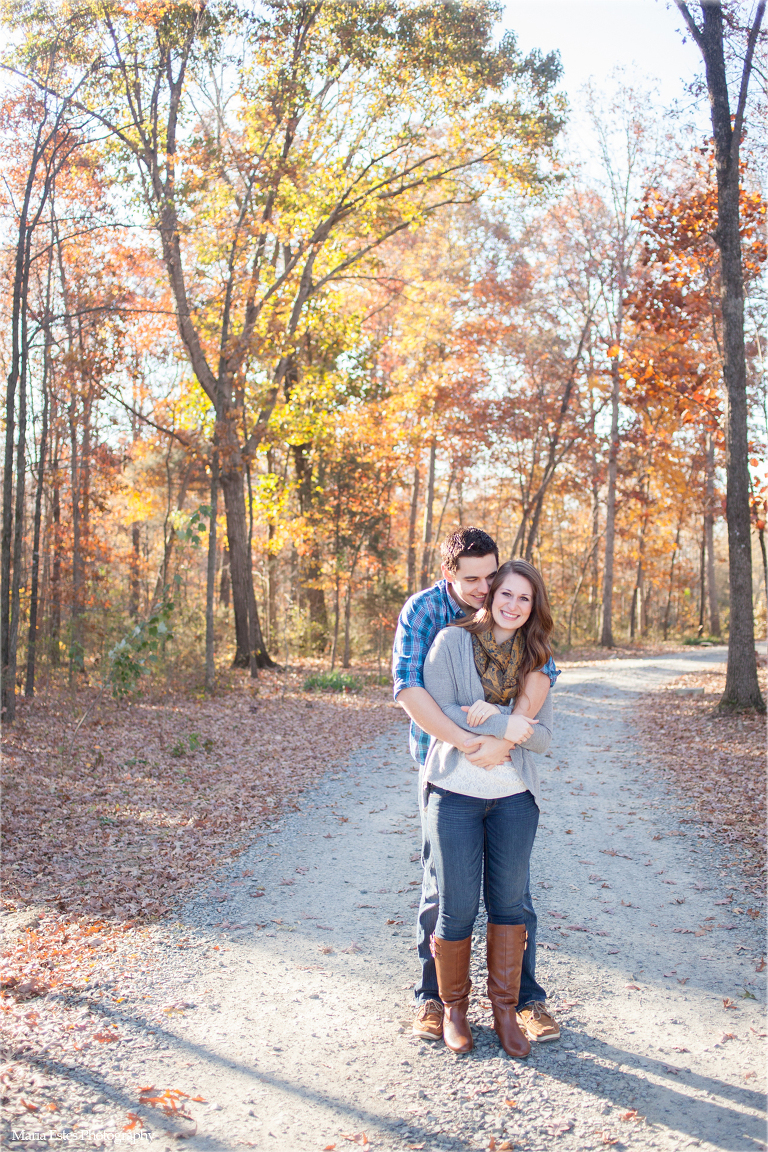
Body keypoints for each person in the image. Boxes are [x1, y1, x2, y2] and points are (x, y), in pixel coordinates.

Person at [392, 529, 559, 1045]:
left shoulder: (518, 623)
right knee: (442, 892)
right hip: (443, 765)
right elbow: (414, 693)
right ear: (449, 575)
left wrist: (507, 733)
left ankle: (522, 1001)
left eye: (495, 577)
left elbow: (544, 676)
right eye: (476, 581)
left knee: (514, 897)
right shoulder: (428, 617)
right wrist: (474, 739)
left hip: (509, 781)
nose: (489, 590)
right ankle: (436, 1002)